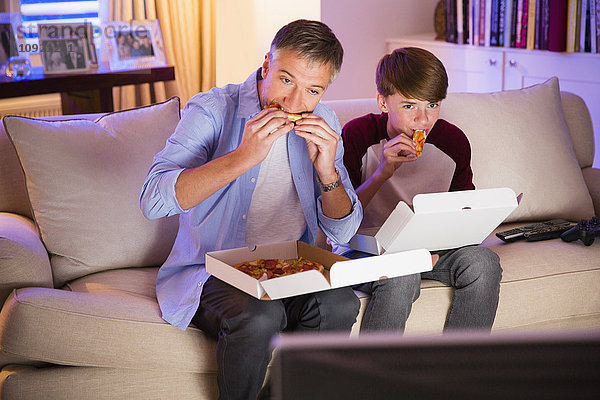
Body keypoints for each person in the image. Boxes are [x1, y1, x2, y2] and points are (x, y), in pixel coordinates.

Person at [140, 19, 362, 400]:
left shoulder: (324, 121)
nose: (295, 103)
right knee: (261, 315)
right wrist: (243, 157)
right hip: (211, 270)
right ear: (266, 67)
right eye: (286, 80)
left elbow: (342, 233)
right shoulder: (213, 109)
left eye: (313, 90)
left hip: (291, 269)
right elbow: (153, 200)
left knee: (340, 303)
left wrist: (327, 171)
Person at [338, 47, 502, 333]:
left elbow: (462, 212)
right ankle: (371, 376)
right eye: (410, 106)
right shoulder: (356, 135)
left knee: (484, 262)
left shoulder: (453, 141)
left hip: (433, 250)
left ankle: (460, 374)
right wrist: (382, 173)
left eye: (433, 105)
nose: (423, 120)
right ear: (383, 102)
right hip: (368, 251)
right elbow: (339, 219)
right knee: (402, 273)